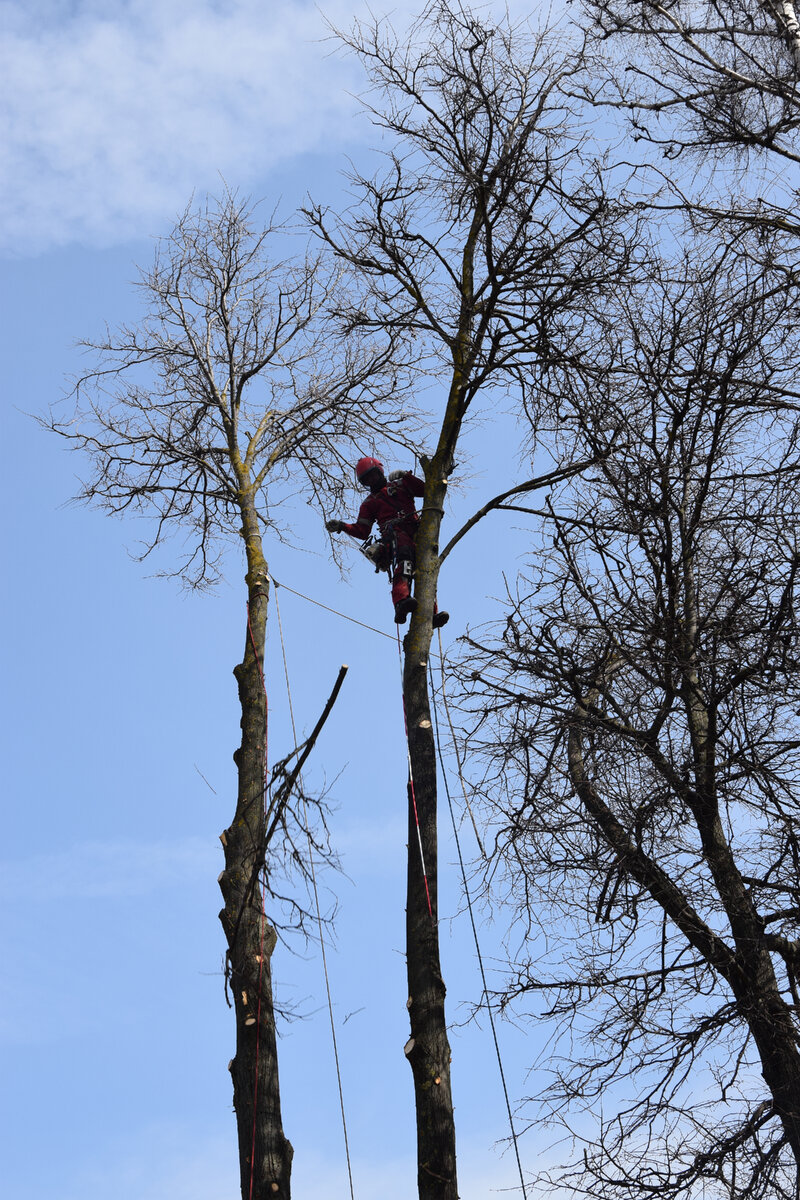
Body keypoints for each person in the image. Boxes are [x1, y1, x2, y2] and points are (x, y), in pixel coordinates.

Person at [326, 456, 449, 626]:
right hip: (396, 535)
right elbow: (362, 530)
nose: (372, 481)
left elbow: (425, 490)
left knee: (426, 569)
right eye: (367, 480)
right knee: (404, 562)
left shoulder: (400, 484)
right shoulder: (369, 503)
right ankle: (401, 602)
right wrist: (342, 526)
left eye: (373, 476)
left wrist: (406, 476)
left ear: (379, 471)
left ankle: (430, 614)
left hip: (418, 532)